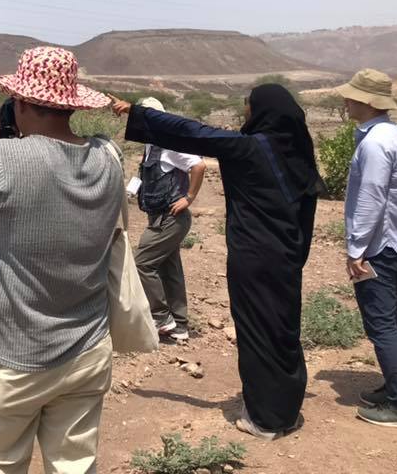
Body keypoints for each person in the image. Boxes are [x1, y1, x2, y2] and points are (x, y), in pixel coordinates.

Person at [0, 46, 123, 473]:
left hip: (14, 355)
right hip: (87, 349)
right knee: (74, 466)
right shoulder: (108, 157)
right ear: (71, 104)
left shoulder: (4, 158)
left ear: (21, 103)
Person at [111, 84, 325, 440]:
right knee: (282, 329)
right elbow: (307, 214)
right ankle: (285, 407)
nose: (244, 112)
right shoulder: (297, 153)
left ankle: (266, 418)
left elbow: (193, 133)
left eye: (248, 106)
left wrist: (137, 113)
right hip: (286, 257)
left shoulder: (250, 148)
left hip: (254, 258)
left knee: (257, 331)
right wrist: (295, 258)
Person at [336, 69, 397, 430]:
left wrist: (356, 249)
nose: (345, 101)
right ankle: (394, 388)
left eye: (352, 96)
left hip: (380, 247)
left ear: (368, 102)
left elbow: (371, 199)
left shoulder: (374, 144)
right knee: (391, 322)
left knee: (382, 325)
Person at [133, 97, 206, 342]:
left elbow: (198, 165)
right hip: (159, 217)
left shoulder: (170, 144)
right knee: (169, 268)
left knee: (142, 263)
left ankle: (161, 317)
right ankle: (180, 326)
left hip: (170, 218)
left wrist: (189, 197)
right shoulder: (151, 145)